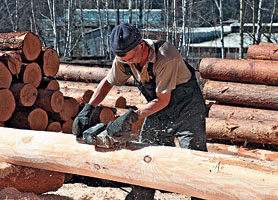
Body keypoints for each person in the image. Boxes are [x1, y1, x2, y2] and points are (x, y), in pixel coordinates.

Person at [72, 23, 207, 200]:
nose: (127, 63)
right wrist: (88, 109)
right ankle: (140, 196)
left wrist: (131, 117)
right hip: (158, 108)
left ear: (141, 45)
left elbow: (163, 99)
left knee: (193, 159)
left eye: (129, 59)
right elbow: (107, 82)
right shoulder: (123, 58)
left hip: (187, 107)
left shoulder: (166, 55)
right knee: (146, 155)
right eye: (123, 60)